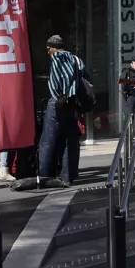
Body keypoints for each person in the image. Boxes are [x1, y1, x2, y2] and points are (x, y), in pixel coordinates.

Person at [39, 34, 86, 187]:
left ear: (54, 47)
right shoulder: (76, 59)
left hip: (57, 102)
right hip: (72, 103)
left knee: (48, 140)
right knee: (70, 141)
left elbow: (56, 81)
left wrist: (59, 95)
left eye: (48, 48)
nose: (48, 52)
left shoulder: (56, 58)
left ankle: (44, 176)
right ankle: (68, 176)